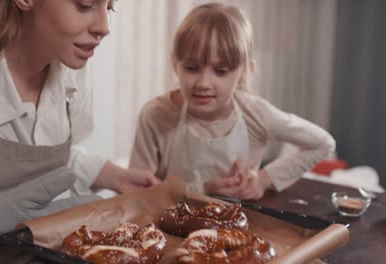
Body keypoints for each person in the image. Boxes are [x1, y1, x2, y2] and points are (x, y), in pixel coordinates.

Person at [0, 0, 160, 251]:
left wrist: (110, 174)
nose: (104, 27)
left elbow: (37, 156)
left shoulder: (68, 64)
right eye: (85, 5)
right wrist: (4, 218)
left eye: (109, 7)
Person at [129, 3, 335, 200]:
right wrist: (202, 189)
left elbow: (322, 143)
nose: (203, 83)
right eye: (192, 68)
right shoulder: (156, 116)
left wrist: (265, 180)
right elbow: (136, 191)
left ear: (244, 73)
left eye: (220, 71)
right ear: (176, 64)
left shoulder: (256, 114)